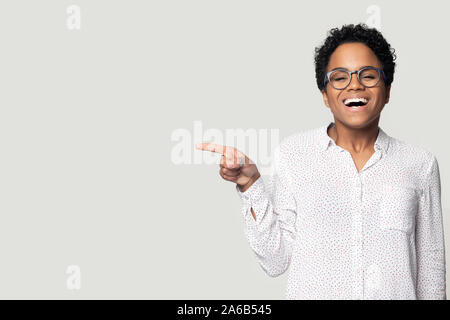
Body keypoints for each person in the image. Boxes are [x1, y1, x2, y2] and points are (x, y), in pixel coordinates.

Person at [196, 24, 446, 300]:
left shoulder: (419, 164)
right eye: (339, 77)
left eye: (369, 75)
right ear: (325, 96)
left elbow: (431, 269)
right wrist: (251, 185)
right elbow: (275, 260)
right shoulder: (294, 155)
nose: (355, 84)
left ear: (387, 91)